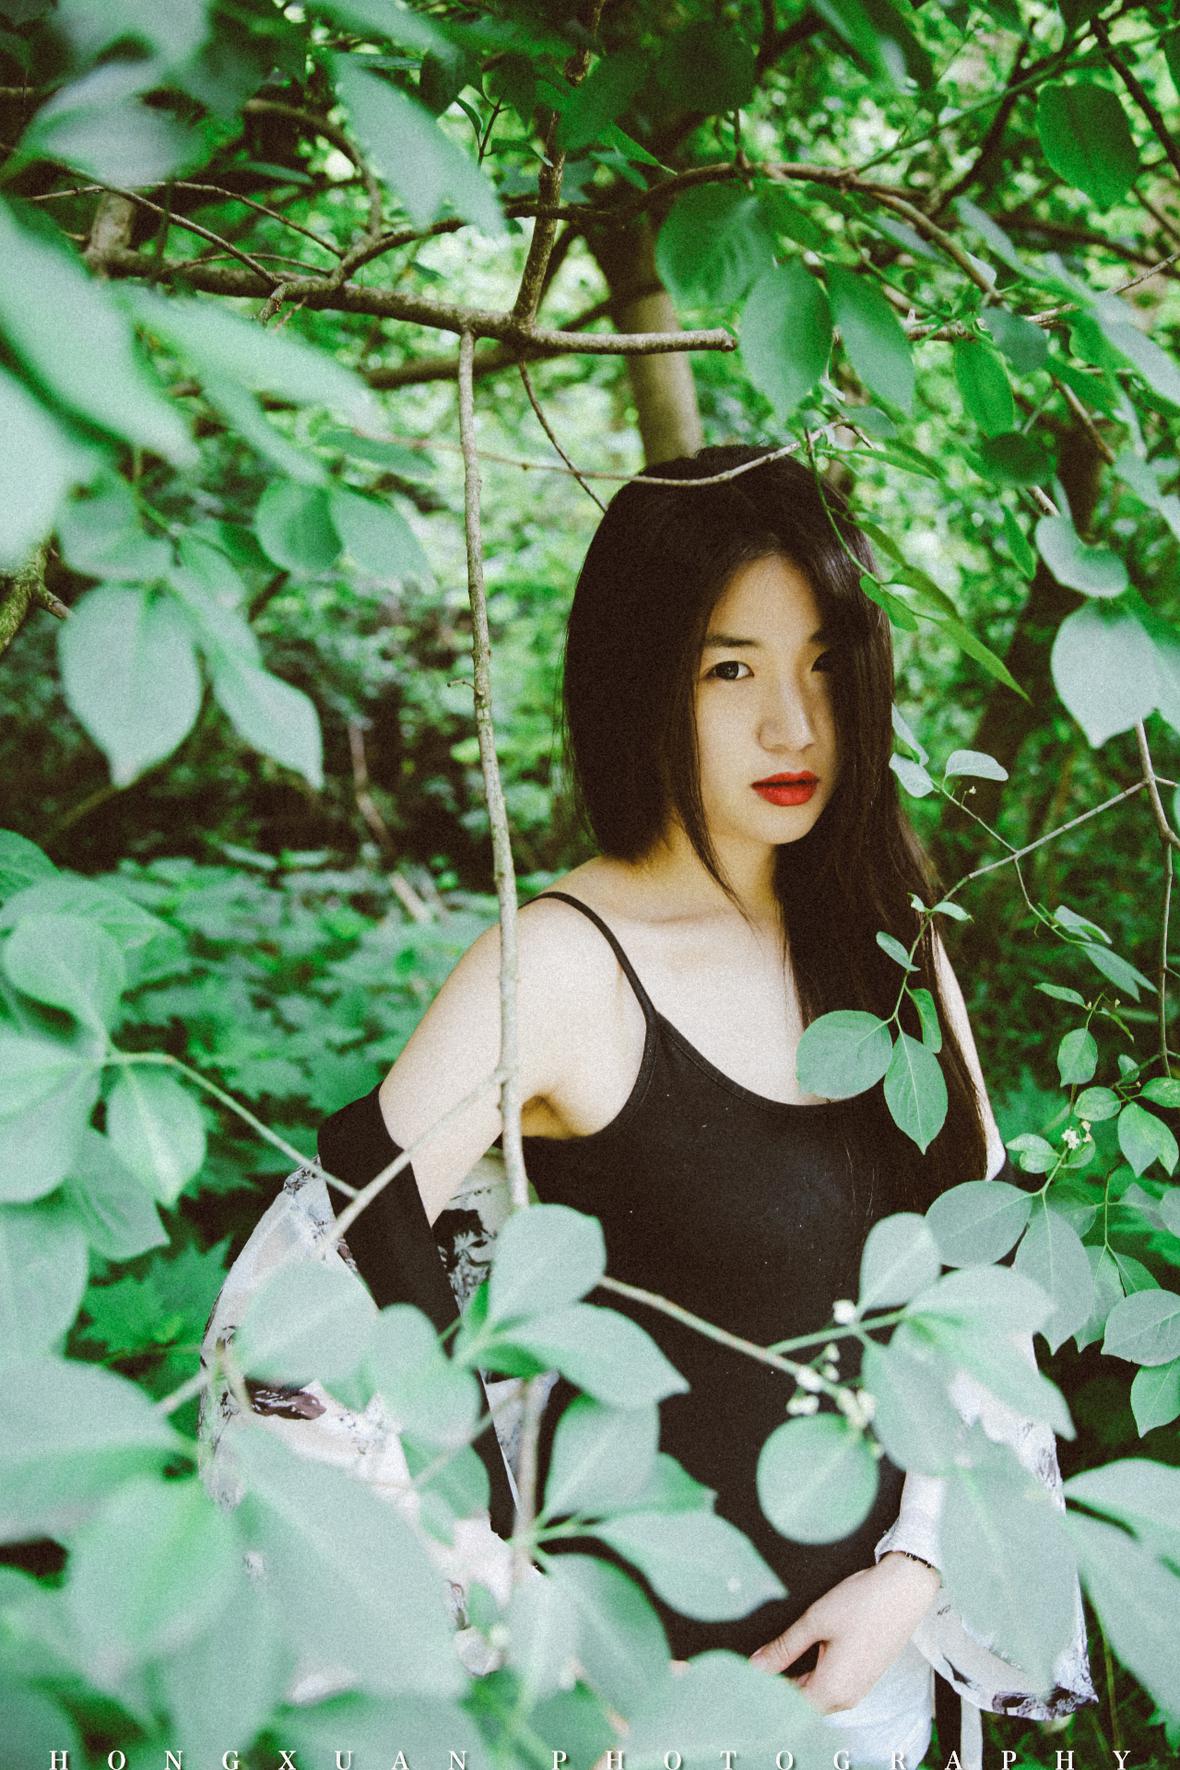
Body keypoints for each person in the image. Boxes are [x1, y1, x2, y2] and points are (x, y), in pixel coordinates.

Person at [201, 443, 1096, 1769]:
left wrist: (915, 1569)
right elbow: (292, 1317)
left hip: (879, 1692)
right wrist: (518, 1627)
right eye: (732, 669)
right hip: (640, 1717)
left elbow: (985, 1285)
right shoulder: (561, 970)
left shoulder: (887, 942)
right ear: (641, 679)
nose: (793, 725)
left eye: (824, 665)